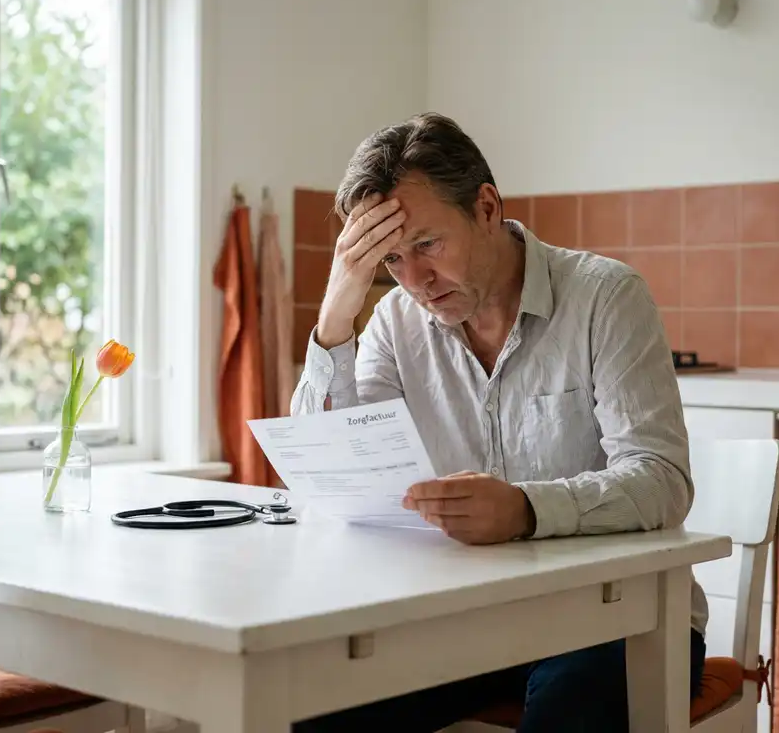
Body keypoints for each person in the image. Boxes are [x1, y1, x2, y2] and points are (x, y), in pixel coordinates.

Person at [290, 112, 708, 733]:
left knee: (569, 708)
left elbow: (661, 480)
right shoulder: (392, 323)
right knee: (316, 706)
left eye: (427, 245)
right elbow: (334, 472)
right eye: (391, 260)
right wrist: (337, 310)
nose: (415, 281)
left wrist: (525, 509)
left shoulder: (605, 297)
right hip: (463, 620)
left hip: (618, 616)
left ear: (486, 207)